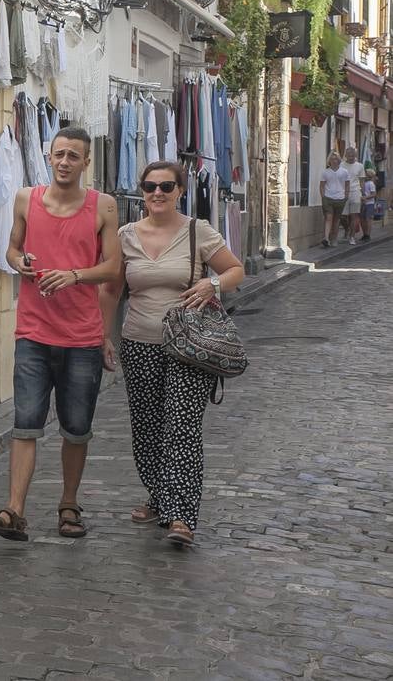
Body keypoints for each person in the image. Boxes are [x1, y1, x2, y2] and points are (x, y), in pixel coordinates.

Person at [0, 127, 121, 542]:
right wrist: (20, 261)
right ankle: (13, 511)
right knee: (25, 423)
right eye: (59, 154)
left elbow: (113, 268)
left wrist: (74, 276)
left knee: (76, 427)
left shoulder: (103, 207)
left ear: (86, 162)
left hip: (81, 337)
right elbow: (12, 247)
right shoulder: (26, 198)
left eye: (74, 156)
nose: (65, 162)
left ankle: (69, 505)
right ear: (48, 155)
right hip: (33, 332)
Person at [100, 161, 245, 548]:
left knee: (181, 428)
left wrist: (211, 284)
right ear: (142, 191)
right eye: (150, 186)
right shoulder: (126, 235)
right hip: (139, 342)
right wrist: (104, 336)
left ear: (181, 190)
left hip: (189, 348)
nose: (157, 193)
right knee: (147, 428)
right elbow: (113, 291)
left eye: (166, 186)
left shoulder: (198, 232)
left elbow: (235, 270)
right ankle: (160, 495)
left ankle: (180, 515)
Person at [319, 152, 350, 248]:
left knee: (336, 220)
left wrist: (346, 196)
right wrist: (323, 197)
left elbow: (347, 184)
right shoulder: (325, 172)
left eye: (336, 159)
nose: (334, 161)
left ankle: (334, 238)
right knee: (328, 218)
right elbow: (322, 186)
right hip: (328, 198)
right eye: (332, 159)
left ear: (339, 160)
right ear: (329, 161)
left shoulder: (344, 172)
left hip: (340, 198)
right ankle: (326, 238)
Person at [341, 147, 365, 244]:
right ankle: (347, 229)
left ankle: (352, 237)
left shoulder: (360, 166)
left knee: (354, 215)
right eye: (349, 155)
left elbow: (362, 181)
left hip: (355, 192)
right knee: (342, 216)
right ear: (345, 155)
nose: (351, 157)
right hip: (343, 193)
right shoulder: (341, 165)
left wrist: (362, 194)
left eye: (353, 155)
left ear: (355, 156)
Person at [361, 170, 377, 242]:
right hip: (363, 203)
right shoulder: (363, 183)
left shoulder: (371, 183)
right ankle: (364, 234)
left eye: (366, 174)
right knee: (363, 220)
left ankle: (368, 235)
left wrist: (366, 197)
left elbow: (374, 194)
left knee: (368, 219)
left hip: (369, 204)